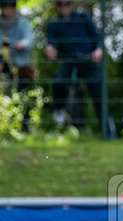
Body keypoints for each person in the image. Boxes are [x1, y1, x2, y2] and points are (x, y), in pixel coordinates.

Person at [44, 0, 115, 137]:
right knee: (59, 81)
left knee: (99, 96)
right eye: (60, 4)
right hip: (68, 60)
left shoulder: (83, 17)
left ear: (72, 4)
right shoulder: (53, 23)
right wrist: (49, 48)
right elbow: (50, 42)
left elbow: (97, 36)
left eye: (67, 3)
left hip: (88, 60)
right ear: (55, 5)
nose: (64, 7)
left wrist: (99, 49)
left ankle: (109, 133)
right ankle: (59, 110)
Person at [0, 0, 35, 92]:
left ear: (14, 8)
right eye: (5, 7)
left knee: (23, 88)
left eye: (10, 6)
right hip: (3, 62)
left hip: (20, 62)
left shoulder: (22, 22)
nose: (8, 9)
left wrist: (22, 44)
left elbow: (29, 39)